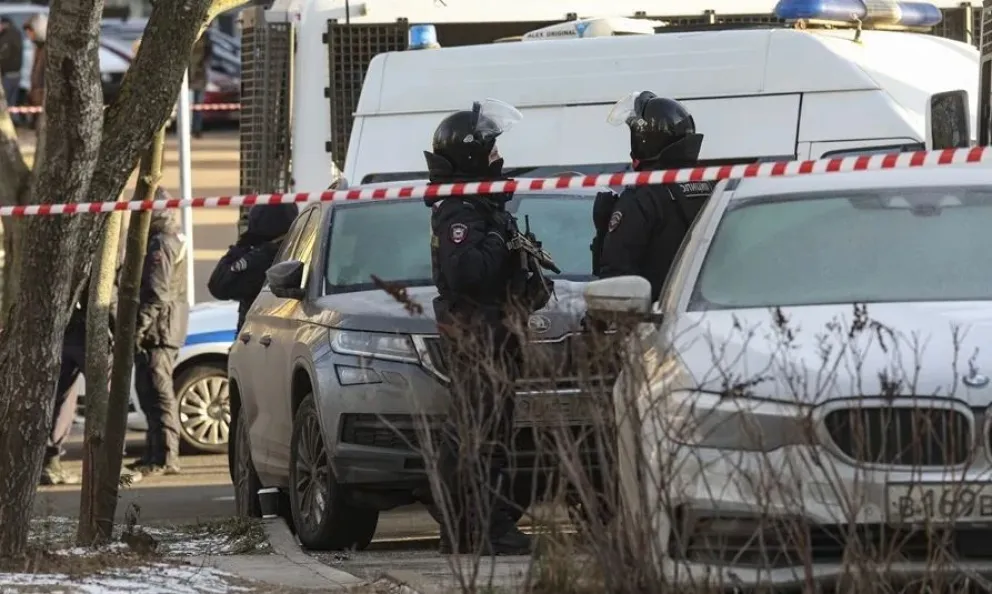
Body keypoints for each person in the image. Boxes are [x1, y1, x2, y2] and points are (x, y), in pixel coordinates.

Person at [423, 99, 549, 556]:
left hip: (498, 331)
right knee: (479, 435)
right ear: (473, 156)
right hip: (478, 336)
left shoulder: (483, 207)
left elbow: (499, 271)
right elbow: (467, 273)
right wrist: (501, 241)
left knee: (490, 432)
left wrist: (526, 265)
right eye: (491, 150)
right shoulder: (460, 211)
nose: (498, 158)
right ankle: (480, 525)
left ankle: (473, 524)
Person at [591, 91, 715, 301]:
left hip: (651, 321)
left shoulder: (643, 197)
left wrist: (603, 235)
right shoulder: (710, 187)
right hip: (710, 312)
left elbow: (615, 277)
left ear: (644, 140)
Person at [127, 200, 189, 477]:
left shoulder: (162, 243)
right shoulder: (168, 239)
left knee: (158, 394)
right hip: (160, 329)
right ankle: (154, 454)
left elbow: (157, 292)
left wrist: (138, 327)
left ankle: (165, 457)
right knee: (148, 392)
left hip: (158, 332)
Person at [207, 203, 298, 333]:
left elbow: (219, 286)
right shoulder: (292, 249)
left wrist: (242, 248)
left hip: (259, 338)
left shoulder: (265, 257)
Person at [188, 32, 213, 139]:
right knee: (189, 105)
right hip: (188, 77)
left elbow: (208, 55)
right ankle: (190, 129)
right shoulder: (189, 36)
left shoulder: (206, 37)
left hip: (198, 76)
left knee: (198, 105)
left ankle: (196, 129)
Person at [0, 17, 22, 110]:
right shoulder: (16, 33)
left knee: (5, 103)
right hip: (15, 73)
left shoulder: (7, 37)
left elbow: (4, 56)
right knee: (12, 103)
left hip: (7, 74)